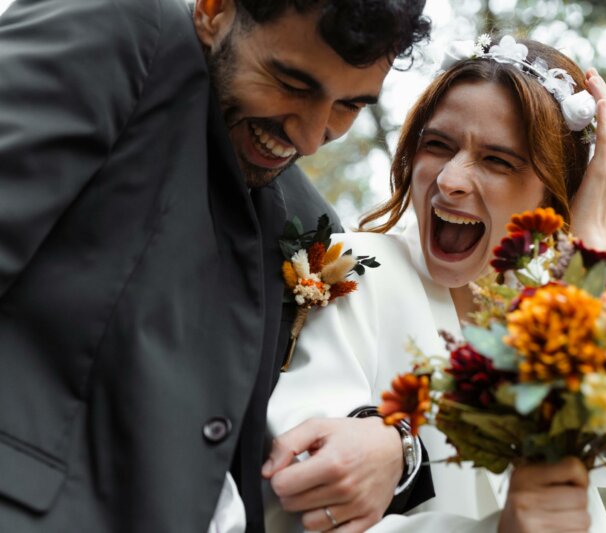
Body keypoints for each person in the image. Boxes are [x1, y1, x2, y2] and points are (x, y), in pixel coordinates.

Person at [0, 0, 433, 531]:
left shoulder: (310, 224)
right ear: (213, 10)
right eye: (293, 84)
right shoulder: (120, 29)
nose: (310, 136)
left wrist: (395, 446)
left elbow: (296, 427)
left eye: (349, 106)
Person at [265, 37, 606, 532]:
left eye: (497, 161)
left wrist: (588, 247)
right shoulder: (353, 268)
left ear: (555, 193)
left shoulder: (552, 313)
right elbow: (311, 492)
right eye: (437, 145)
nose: (449, 180)